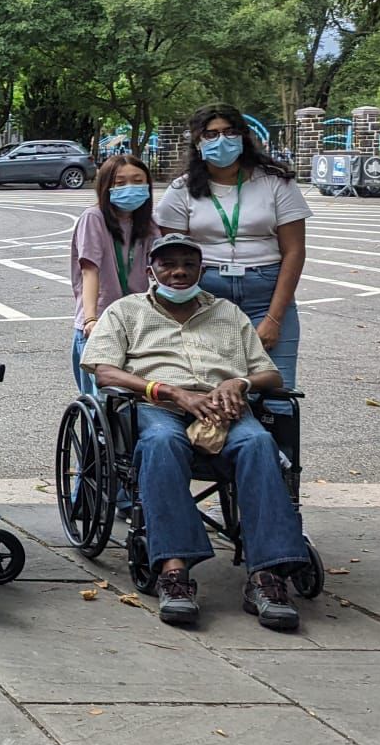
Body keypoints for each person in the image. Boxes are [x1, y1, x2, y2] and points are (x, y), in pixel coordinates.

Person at [81, 233, 305, 633]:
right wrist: (168, 391)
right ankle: (174, 570)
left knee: (258, 443)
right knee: (162, 442)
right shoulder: (125, 311)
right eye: (168, 264)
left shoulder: (228, 313)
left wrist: (240, 384)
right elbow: (102, 369)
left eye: (188, 263)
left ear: (202, 270)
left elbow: (269, 371)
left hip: (224, 409)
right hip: (157, 406)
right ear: (151, 271)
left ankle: (267, 576)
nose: (179, 271)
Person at [154, 104, 307, 398]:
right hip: (207, 297)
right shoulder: (181, 189)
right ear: (198, 143)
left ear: (243, 137)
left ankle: (276, 446)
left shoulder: (276, 182)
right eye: (210, 135)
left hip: (267, 295)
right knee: (212, 389)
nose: (220, 140)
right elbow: (174, 259)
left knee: (277, 393)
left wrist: (274, 319)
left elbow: (295, 251)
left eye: (229, 132)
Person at [69, 153, 153, 396]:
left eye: (138, 181)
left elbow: (161, 267)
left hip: (137, 321)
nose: (131, 188)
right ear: (107, 187)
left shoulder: (147, 223)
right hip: (101, 321)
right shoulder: (94, 218)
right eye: (121, 182)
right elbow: (89, 270)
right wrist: (90, 319)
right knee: (102, 399)